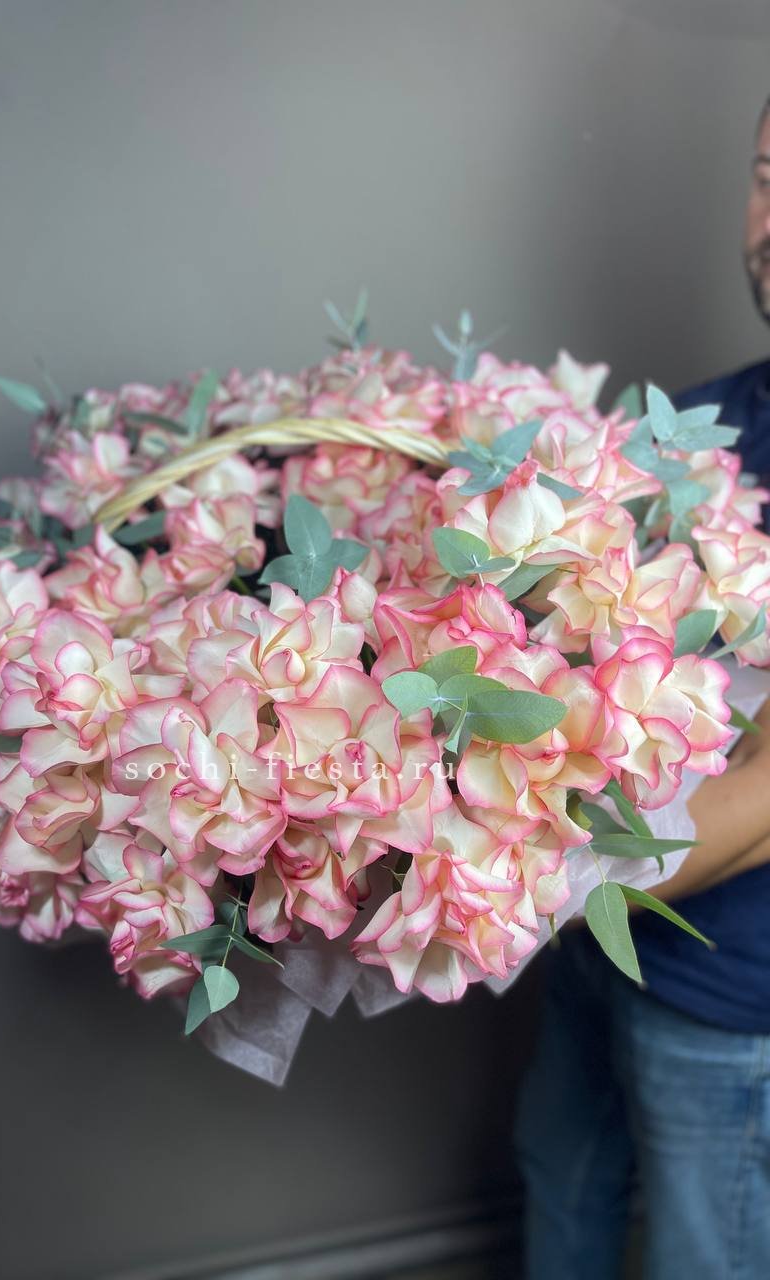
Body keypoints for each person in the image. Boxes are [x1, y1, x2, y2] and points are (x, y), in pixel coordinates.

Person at [516, 95, 770, 1280]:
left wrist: (491, 883)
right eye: (767, 173)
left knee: (697, 1256)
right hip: (599, 948)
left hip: (729, 995)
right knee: (559, 1184)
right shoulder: (702, 424)